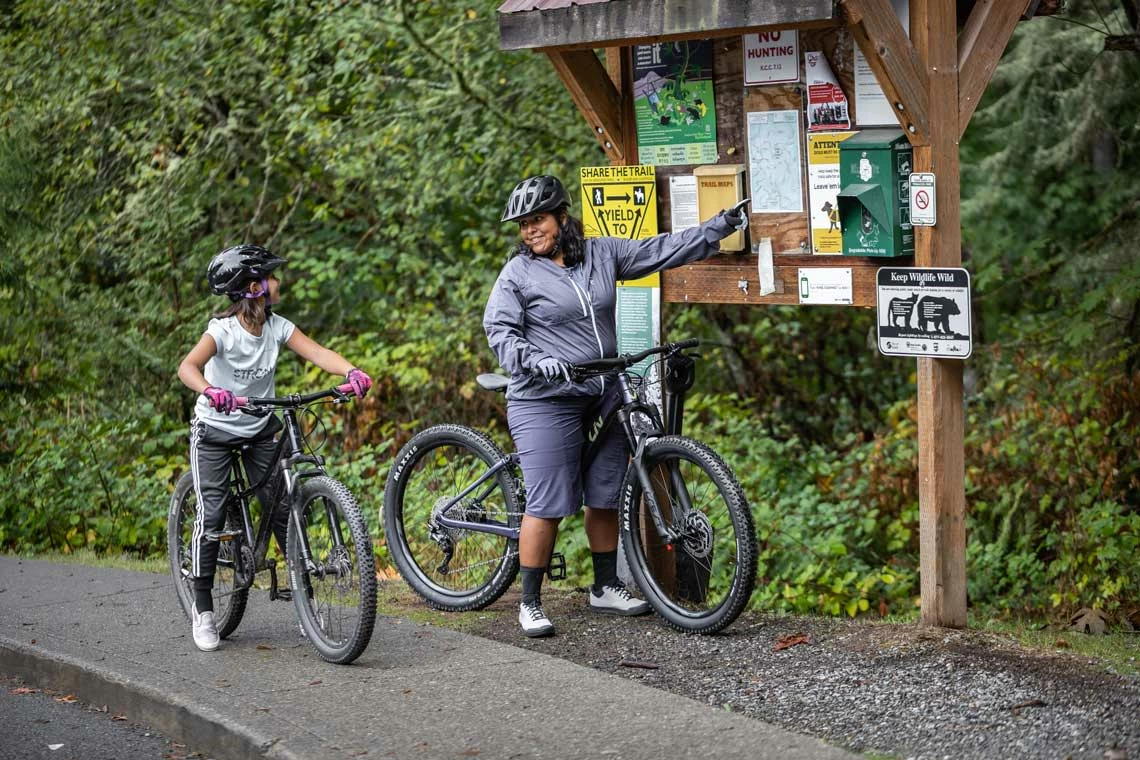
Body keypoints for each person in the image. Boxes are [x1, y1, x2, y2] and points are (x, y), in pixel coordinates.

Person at [483, 175, 748, 637]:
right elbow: (500, 332)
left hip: (603, 386)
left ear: (562, 218)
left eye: (537, 220)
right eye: (523, 225)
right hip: (545, 396)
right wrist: (537, 360)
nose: (529, 231)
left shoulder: (602, 254)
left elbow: (662, 249)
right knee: (548, 500)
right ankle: (528, 601)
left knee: (605, 488)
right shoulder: (518, 274)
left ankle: (604, 586)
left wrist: (721, 226)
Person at [177, 244, 372, 652]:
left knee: (283, 512)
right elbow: (187, 368)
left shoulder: (277, 326)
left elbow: (317, 353)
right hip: (214, 431)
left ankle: (306, 604)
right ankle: (204, 608)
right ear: (253, 287)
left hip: (258, 428)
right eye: (270, 276)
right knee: (211, 518)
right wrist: (212, 392)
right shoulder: (221, 331)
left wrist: (351, 371)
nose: (277, 281)